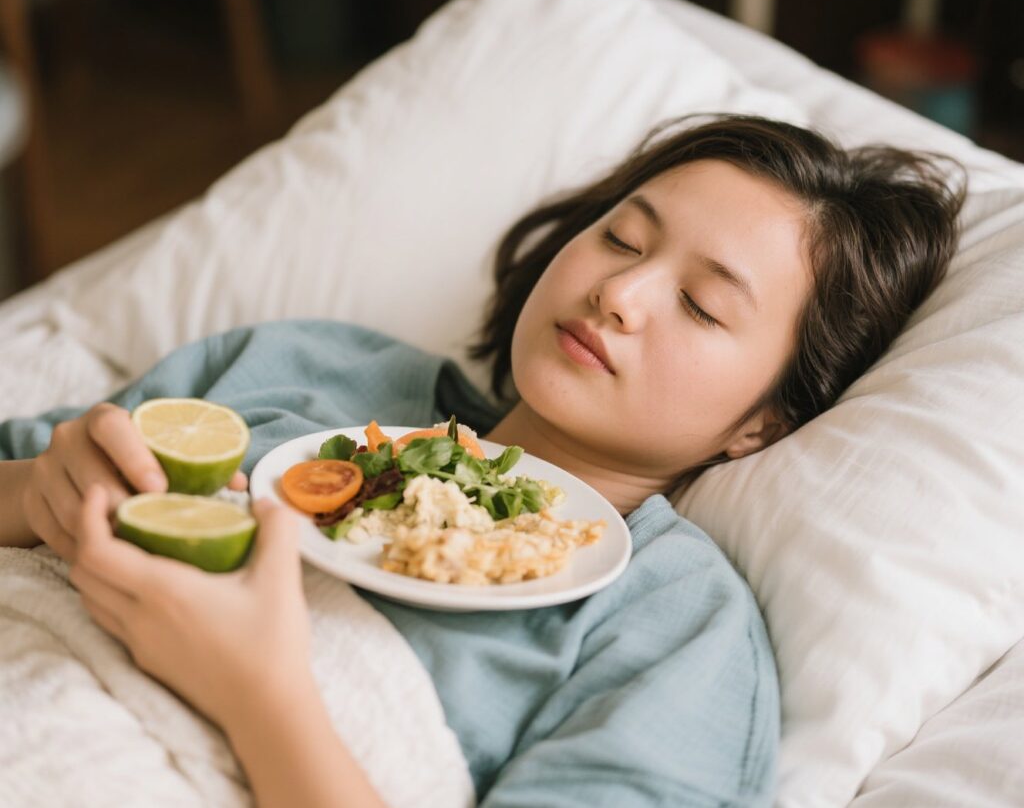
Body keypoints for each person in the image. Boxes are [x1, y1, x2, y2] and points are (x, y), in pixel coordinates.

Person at [0, 115, 964, 807]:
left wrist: (261, 697)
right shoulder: (313, 366)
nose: (621, 291)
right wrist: (39, 489)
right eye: (622, 236)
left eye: (705, 307)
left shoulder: (676, 626)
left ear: (759, 423)